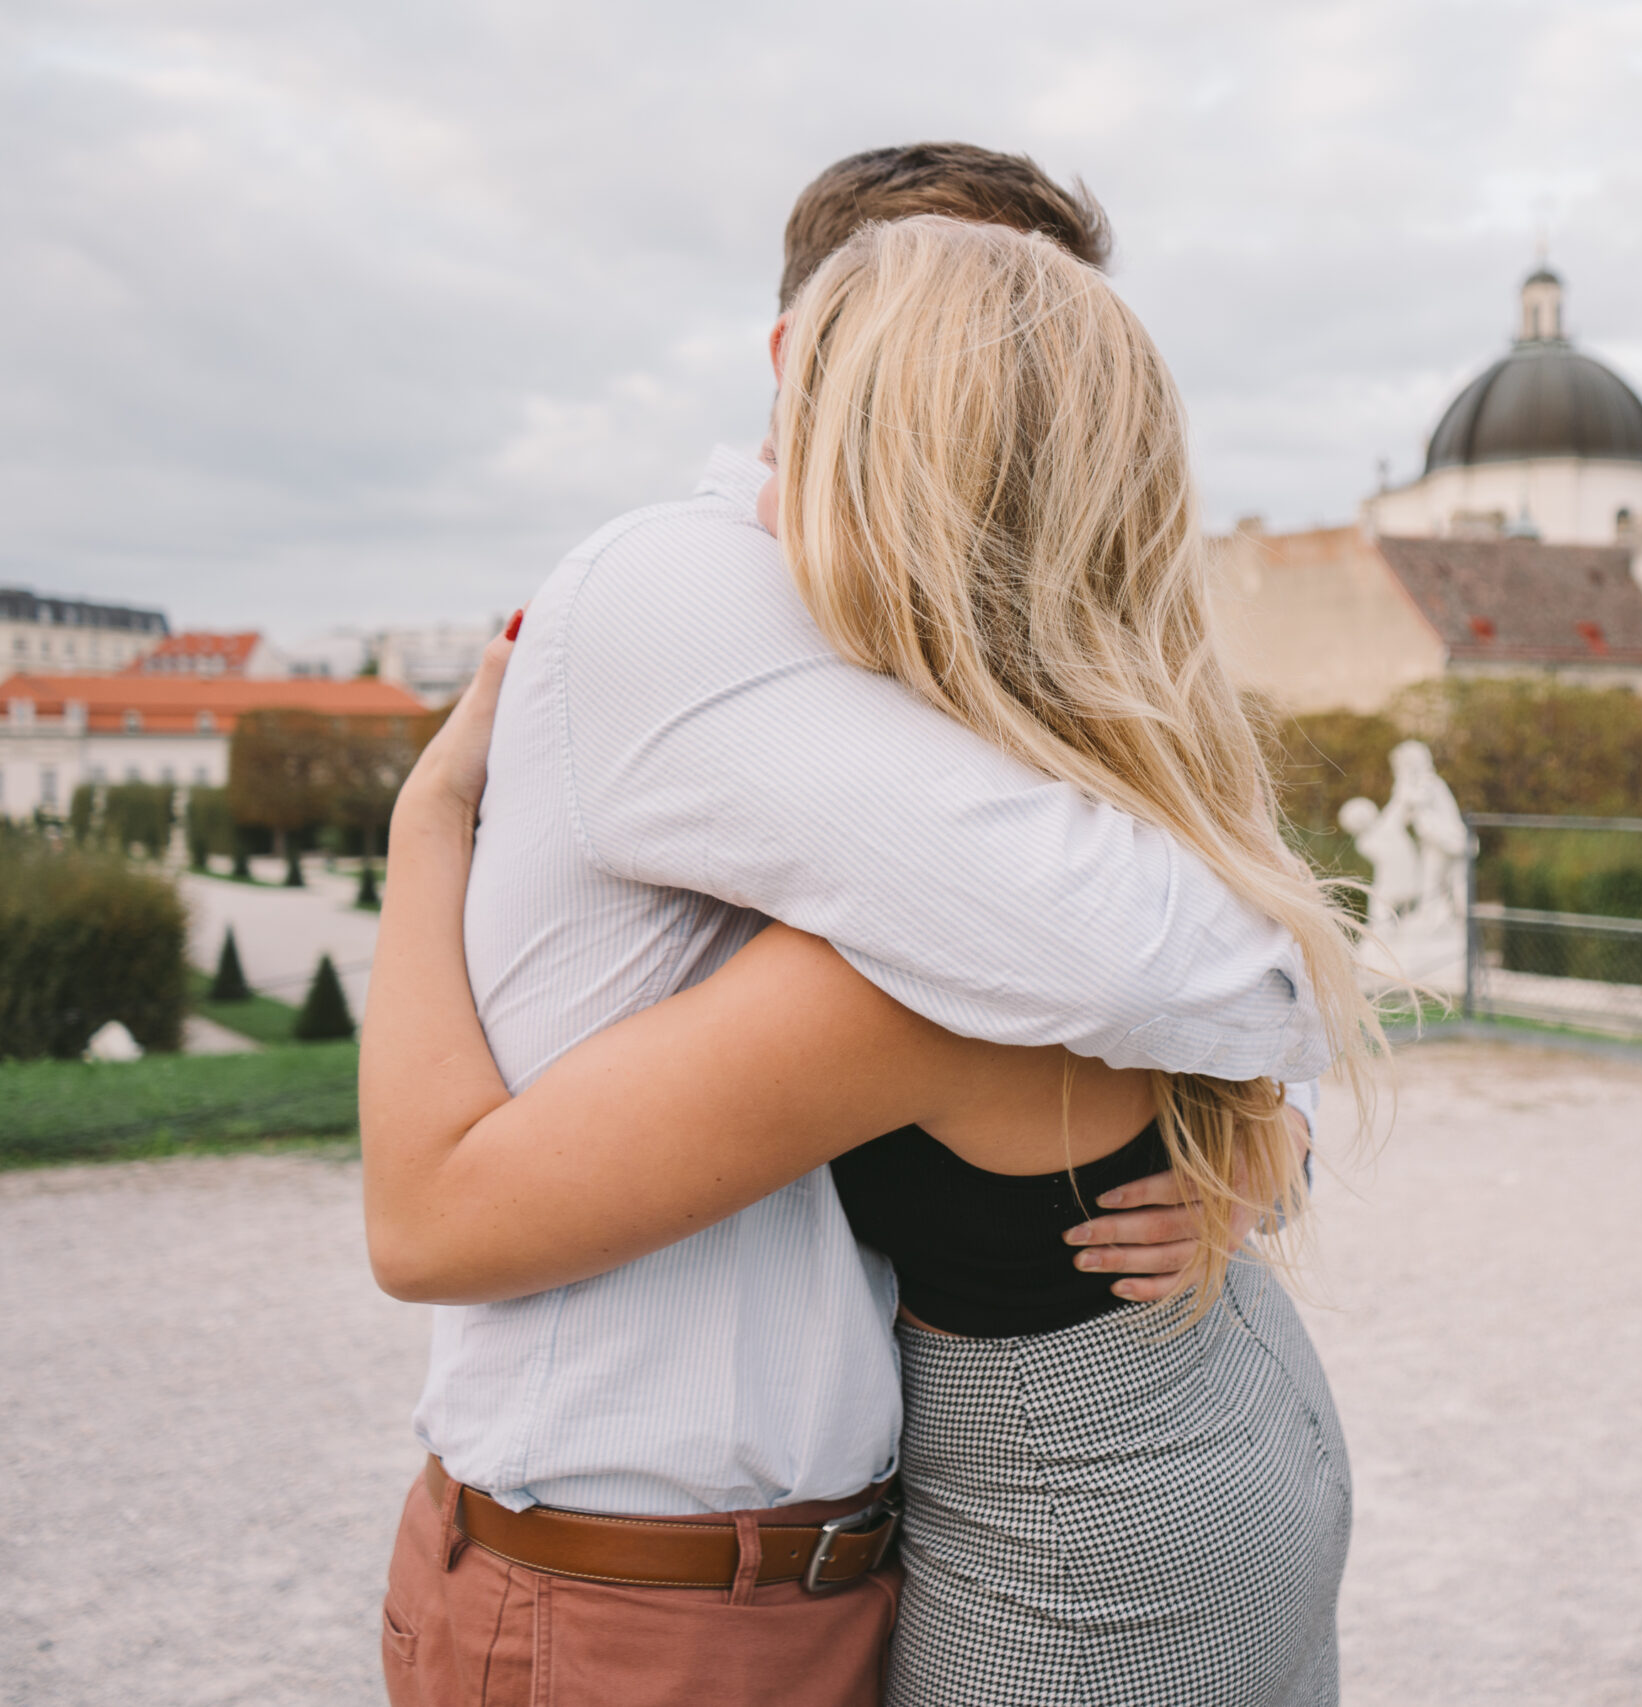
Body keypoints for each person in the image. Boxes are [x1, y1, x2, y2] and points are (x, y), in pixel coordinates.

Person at [361, 149, 1341, 1707]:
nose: (999, 373)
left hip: (851, 1546)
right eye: (950, 341)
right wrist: (423, 828)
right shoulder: (695, 602)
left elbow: (1134, 943)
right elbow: (1125, 951)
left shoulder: (922, 675)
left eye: (1038, 341)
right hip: (640, 1574)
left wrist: (1268, 1126)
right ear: (808, 352)